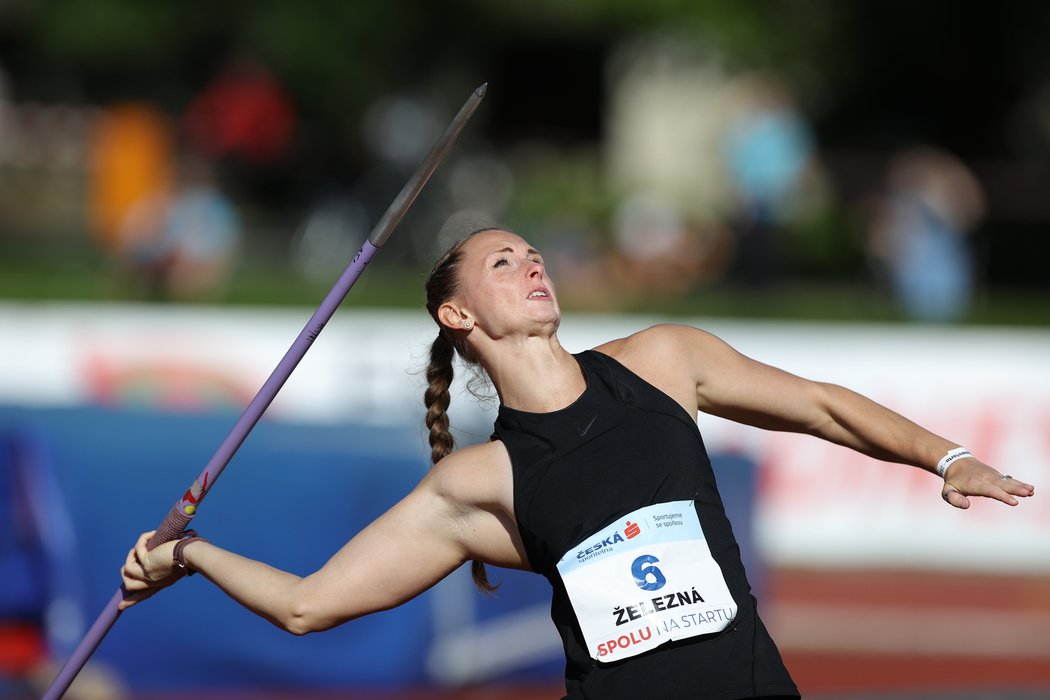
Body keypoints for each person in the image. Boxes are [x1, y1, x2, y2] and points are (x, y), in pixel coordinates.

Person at [121, 227, 1035, 699]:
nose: (531, 265)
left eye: (534, 254)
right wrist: (189, 552)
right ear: (458, 316)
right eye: (503, 261)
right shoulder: (476, 484)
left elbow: (825, 404)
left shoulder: (664, 363)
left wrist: (944, 457)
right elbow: (307, 604)